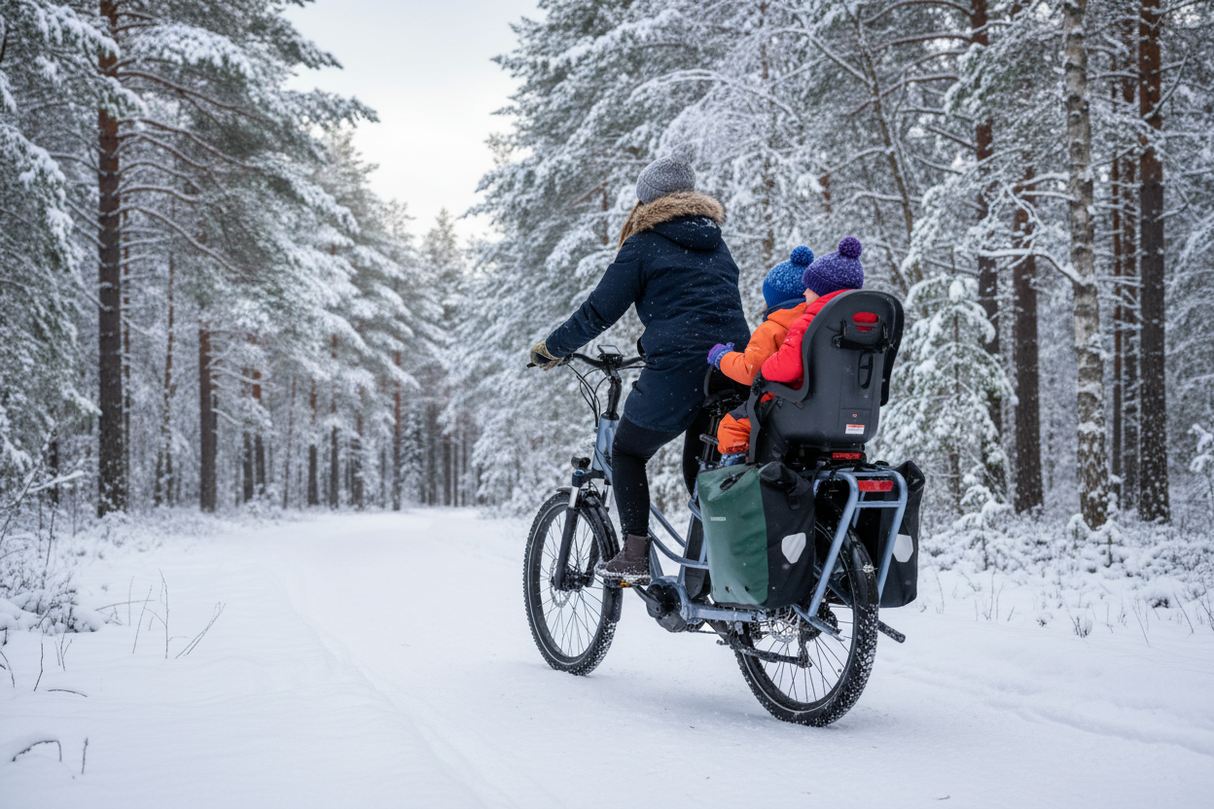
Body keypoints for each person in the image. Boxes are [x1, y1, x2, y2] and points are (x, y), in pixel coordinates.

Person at [530, 157, 751, 585]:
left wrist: (551, 348)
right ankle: (720, 573)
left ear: (646, 201)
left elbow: (598, 311)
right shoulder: (716, 241)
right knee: (703, 474)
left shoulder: (644, 243)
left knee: (628, 452)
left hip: (681, 366)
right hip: (734, 365)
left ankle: (634, 555)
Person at [715, 237, 866, 463]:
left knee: (732, 425)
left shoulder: (804, 324)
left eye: (810, 287)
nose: (805, 293)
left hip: (798, 403)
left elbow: (774, 367)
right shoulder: (860, 328)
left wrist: (743, 365)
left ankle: (737, 474)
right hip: (846, 410)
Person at [707, 246, 814, 460]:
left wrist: (722, 357)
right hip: (815, 405)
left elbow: (750, 370)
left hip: (782, 404)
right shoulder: (820, 323)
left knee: (732, 426)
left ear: (774, 299)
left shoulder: (773, 328)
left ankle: (737, 476)